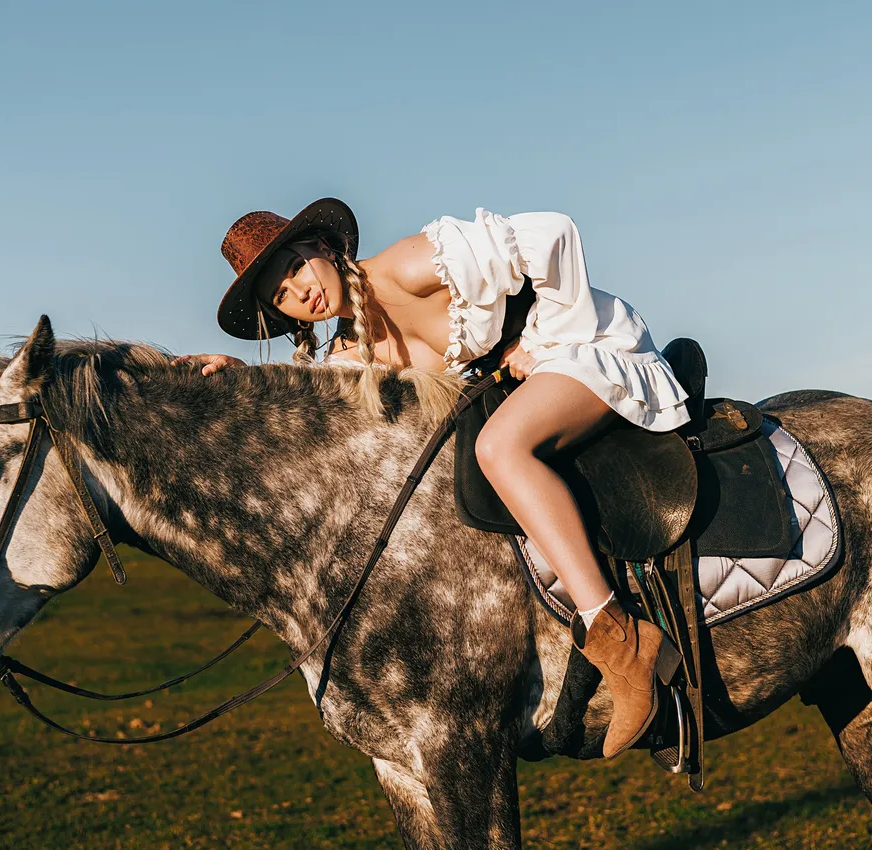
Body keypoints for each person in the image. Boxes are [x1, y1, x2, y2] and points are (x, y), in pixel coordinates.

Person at [178, 197, 692, 757]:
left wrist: (542, 340)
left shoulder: (409, 265)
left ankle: (619, 640)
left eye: (295, 267)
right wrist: (245, 380)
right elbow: (317, 407)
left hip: (584, 346)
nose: (299, 293)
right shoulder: (353, 351)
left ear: (323, 248)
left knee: (502, 446)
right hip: (523, 387)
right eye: (280, 295)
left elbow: (554, 235)